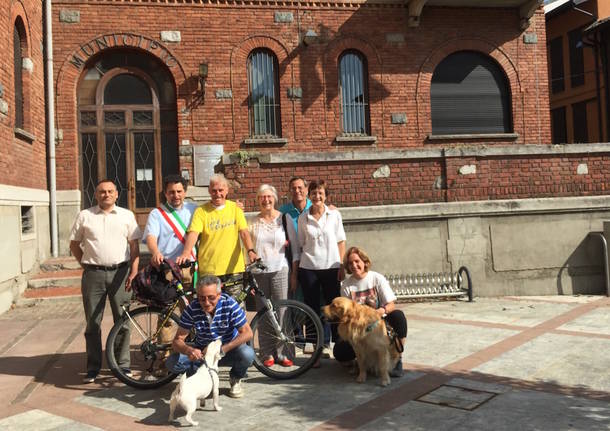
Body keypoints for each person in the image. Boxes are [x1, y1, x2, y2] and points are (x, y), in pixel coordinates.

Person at [69, 179, 141, 383]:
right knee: (93, 322)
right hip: (93, 275)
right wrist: (87, 266)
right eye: (102, 191)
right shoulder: (85, 216)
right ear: (95, 194)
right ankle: (93, 367)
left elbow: (134, 246)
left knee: (123, 319)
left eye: (110, 191)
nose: (106, 195)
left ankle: (123, 364)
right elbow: (74, 244)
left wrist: (134, 271)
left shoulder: (127, 215)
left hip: (121, 273)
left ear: (117, 194)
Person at [166, 274, 255, 398]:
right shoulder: (192, 308)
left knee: (248, 354)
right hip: (203, 354)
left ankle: (235, 378)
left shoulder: (229, 304)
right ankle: (196, 376)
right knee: (172, 362)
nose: (206, 303)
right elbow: (177, 341)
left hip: (228, 351)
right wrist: (189, 350)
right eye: (202, 298)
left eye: (211, 297)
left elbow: (248, 333)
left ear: (219, 295)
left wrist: (223, 349)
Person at [289, 179, 346, 366]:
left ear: (326, 195)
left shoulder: (334, 215)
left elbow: (340, 241)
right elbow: (300, 246)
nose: (317, 196)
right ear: (309, 195)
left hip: (331, 267)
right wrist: (296, 273)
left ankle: (340, 348)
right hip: (309, 268)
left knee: (335, 309)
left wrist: (342, 265)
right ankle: (316, 350)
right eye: (314, 193)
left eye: (320, 193)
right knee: (312, 310)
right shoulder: (303, 218)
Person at [335, 246, 407, 378]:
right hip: (359, 328)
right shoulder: (346, 285)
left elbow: (391, 304)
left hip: (379, 323)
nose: (354, 265)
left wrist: (380, 311)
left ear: (364, 261)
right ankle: (360, 363)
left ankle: (397, 358)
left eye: (357, 261)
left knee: (399, 316)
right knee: (339, 352)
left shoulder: (376, 278)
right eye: (350, 263)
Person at [177, 173, 258, 283]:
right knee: (210, 300)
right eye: (214, 190)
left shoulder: (235, 208)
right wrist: (186, 252)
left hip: (234, 269)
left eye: (221, 190)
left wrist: (251, 251)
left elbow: (244, 232)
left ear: (227, 190)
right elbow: (194, 233)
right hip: (209, 270)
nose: (217, 194)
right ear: (209, 191)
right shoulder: (201, 211)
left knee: (234, 301)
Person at [248, 184, 292, 367]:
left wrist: (295, 272)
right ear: (258, 200)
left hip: (280, 268)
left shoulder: (284, 219)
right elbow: (247, 249)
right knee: (263, 312)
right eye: (262, 197)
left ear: (274, 199)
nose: (266, 200)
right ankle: (267, 353)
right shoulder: (252, 222)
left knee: (282, 311)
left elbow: (294, 247)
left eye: (269, 197)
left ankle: (283, 352)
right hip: (259, 272)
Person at [143, 174, 198, 268]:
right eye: (172, 192)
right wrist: (155, 252)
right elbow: (151, 237)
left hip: (189, 264)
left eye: (179, 191)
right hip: (167, 266)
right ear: (165, 193)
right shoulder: (156, 214)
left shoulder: (194, 209)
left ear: (185, 192)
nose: (176, 195)